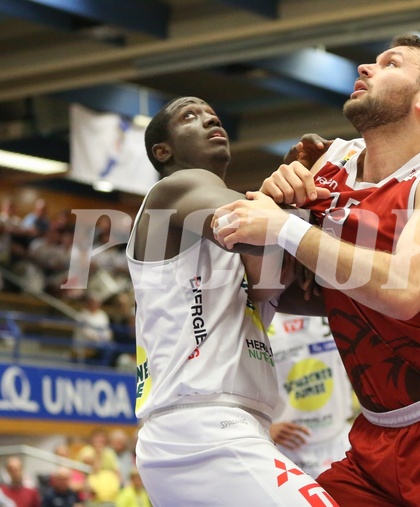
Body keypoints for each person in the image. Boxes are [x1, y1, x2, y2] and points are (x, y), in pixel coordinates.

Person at [214, 34, 420, 506]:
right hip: (377, 441)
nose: (365, 68)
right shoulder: (328, 166)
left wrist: (284, 227)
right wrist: (275, 196)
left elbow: (404, 290)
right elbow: (276, 291)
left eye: (389, 64)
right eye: (370, 61)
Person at [125, 96, 337, 506]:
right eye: (190, 116)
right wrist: (310, 185)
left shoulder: (234, 248)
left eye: (213, 115)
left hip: (213, 430)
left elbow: (330, 295)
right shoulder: (174, 188)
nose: (208, 119)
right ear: (162, 151)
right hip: (204, 428)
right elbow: (252, 229)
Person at [268, 313, 356, 479]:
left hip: (341, 441)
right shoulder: (262, 318)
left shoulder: (326, 308)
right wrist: (263, 428)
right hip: (286, 452)